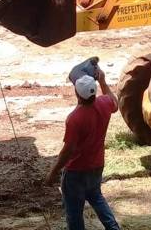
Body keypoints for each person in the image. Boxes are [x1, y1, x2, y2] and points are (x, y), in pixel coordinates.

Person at [45, 70, 121, 230]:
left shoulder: (74, 118)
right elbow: (115, 103)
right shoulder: (104, 103)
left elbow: (68, 151)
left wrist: (53, 172)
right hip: (97, 165)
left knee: (74, 212)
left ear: (77, 94)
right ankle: (114, 227)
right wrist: (103, 81)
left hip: (76, 172)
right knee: (96, 197)